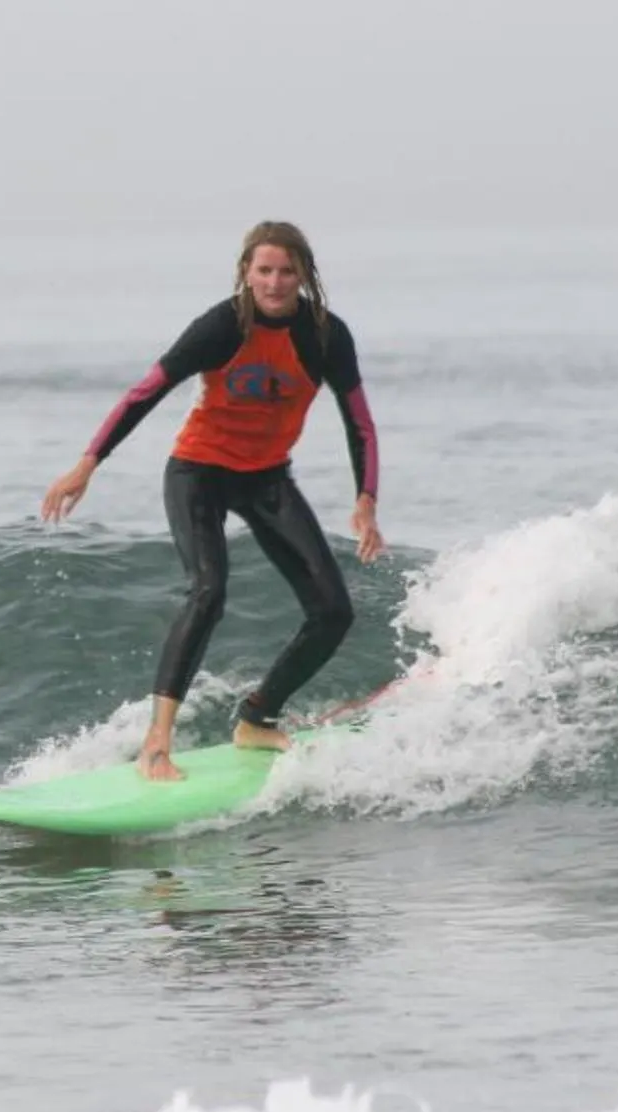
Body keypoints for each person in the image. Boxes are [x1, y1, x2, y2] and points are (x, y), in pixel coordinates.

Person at [41, 222, 383, 781]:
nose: (274, 283)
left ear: (305, 275)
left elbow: (360, 423)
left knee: (333, 611)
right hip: (197, 472)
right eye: (263, 270)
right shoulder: (222, 326)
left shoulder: (326, 335)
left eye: (286, 271)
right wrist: (88, 463)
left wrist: (366, 500)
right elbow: (145, 392)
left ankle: (256, 717)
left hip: (267, 478)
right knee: (208, 591)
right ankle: (156, 743)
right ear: (246, 272)